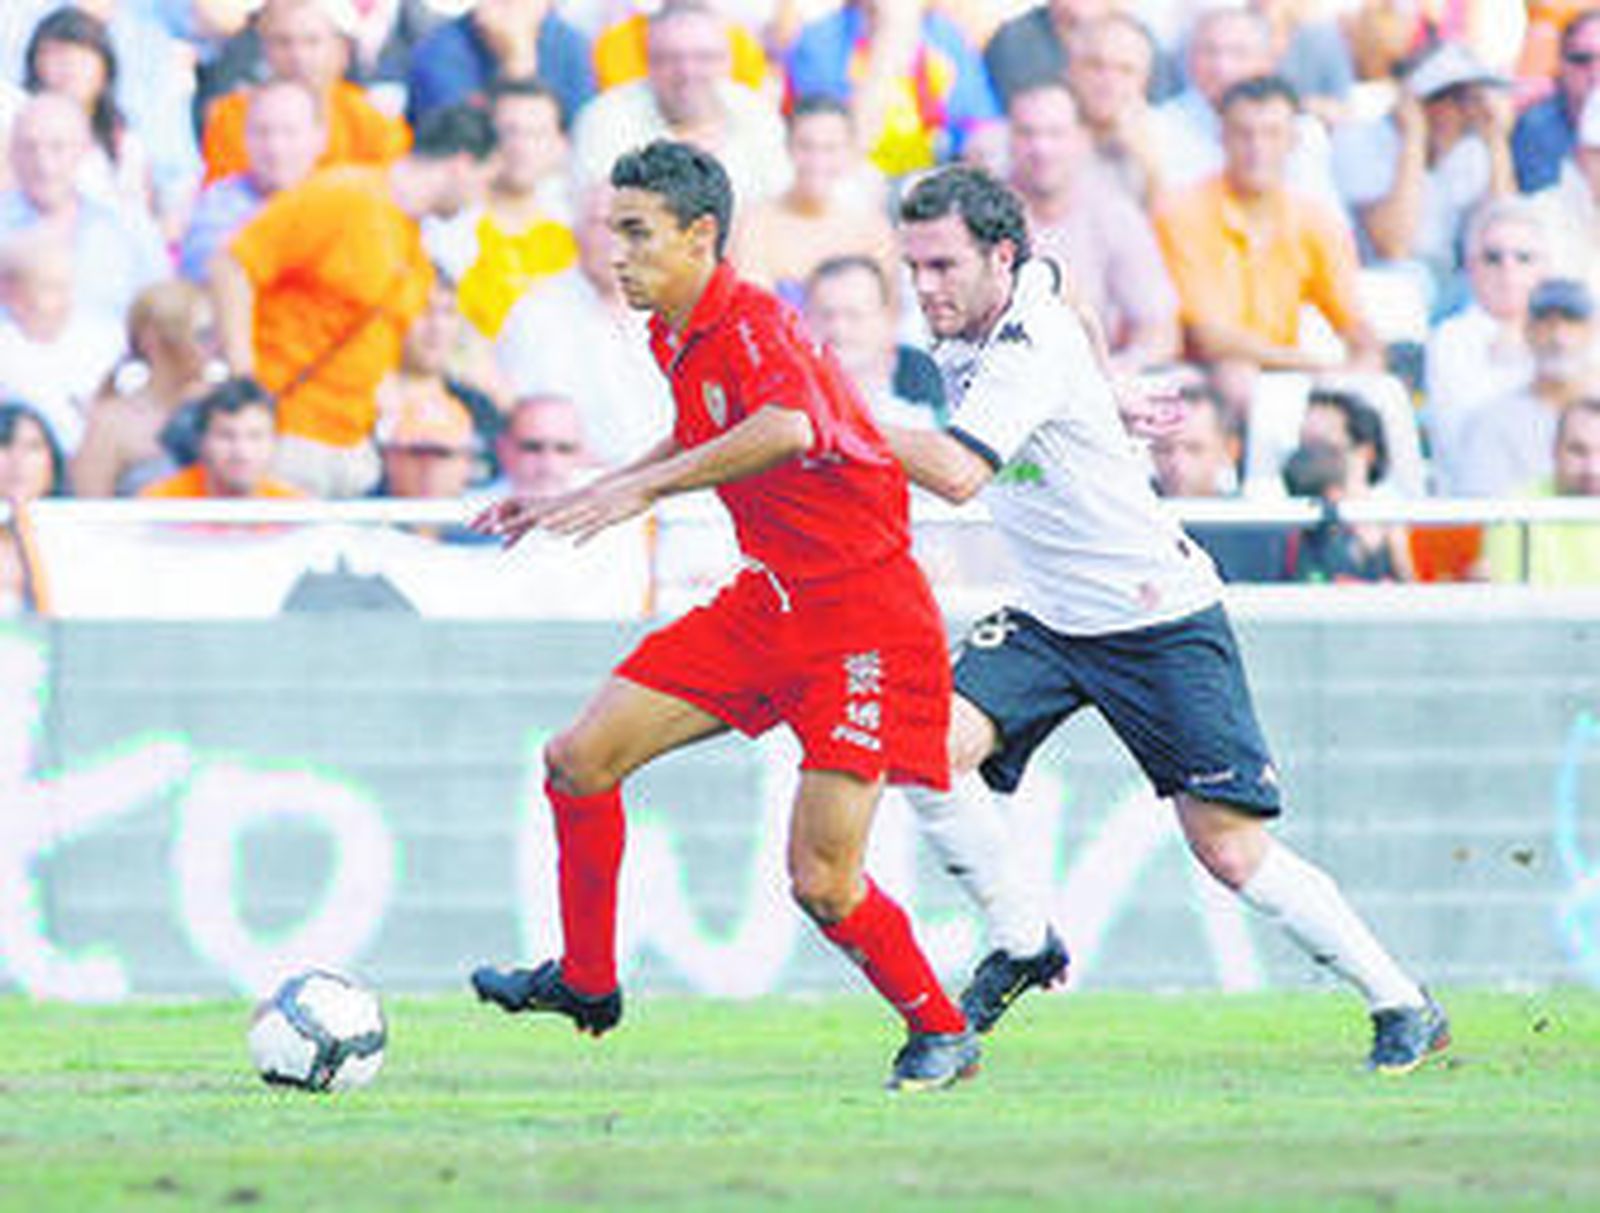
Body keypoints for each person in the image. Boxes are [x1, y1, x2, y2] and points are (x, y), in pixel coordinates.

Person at [883, 164, 1448, 1072]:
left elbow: (956, 472)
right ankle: (1024, 940)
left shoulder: (1028, 340)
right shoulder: (1022, 290)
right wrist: (1099, 395)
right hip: (1048, 613)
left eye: (941, 266)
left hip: (1155, 615)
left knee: (1228, 850)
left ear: (996, 257)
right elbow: (1072, 296)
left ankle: (1400, 999)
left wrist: (829, 423)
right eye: (912, 267)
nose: (924, 288)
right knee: (917, 745)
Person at [468, 140, 977, 1092]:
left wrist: (643, 493)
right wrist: (582, 491)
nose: (615, 253)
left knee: (823, 882)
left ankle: (941, 1028)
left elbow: (785, 426)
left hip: (863, 620)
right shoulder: (675, 329)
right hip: (769, 601)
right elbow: (708, 434)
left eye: (636, 233)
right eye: (611, 230)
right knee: (578, 760)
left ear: (701, 234)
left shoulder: (755, 324)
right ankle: (586, 981)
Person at [210, 104, 498, 499]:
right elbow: (233, 264)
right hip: (288, 432)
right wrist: (244, 380)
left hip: (352, 448)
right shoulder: (345, 194)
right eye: (486, 181)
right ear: (463, 164)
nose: (481, 198)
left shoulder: (414, 241)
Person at [1154, 76, 1380, 384]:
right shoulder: (1183, 212)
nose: (1257, 147)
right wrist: (1316, 368)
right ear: (1222, 137)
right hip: (1199, 375)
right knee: (1238, 376)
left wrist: (1365, 360)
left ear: (1293, 140)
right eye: (1243, 134)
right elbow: (1209, 338)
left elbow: (1354, 323)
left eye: (1272, 134)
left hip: (1285, 371)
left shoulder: (1314, 218)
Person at [1006, 81, 1179, 373]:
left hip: (1092, 382)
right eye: (1027, 133)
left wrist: (1112, 374)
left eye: (1055, 134)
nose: (1041, 148)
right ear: (1009, 139)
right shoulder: (977, 213)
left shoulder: (1114, 213)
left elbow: (1160, 330)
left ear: (1081, 139)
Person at [1331, 40, 1514, 300]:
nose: (1471, 112)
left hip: (1449, 287)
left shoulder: (1471, 149)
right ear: (1418, 103)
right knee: (1409, 275)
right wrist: (1414, 139)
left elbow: (1507, 231)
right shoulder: (1360, 139)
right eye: (1459, 99)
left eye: (1476, 98)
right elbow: (1392, 247)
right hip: (1381, 288)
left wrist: (1497, 143)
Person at [572, 2, 789, 206]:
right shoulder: (606, 119)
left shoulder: (758, 115)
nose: (687, 72)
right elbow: (603, 220)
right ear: (648, 63)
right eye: (670, 58)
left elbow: (780, 207)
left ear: (727, 63)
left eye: (704, 57)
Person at [0, 92, 167, 328]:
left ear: (84, 150)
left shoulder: (130, 228)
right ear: (12, 153)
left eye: (58, 147)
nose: (43, 163)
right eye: (29, 147)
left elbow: (163, 316)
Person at [201, 0, 410, 186]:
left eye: (312, 42)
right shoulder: (231, 116)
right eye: (283, 42)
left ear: (342, 50)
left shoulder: (374, 119)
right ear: (265, 49)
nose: (298, 55)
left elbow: (394, 197)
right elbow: (222, 198)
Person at [783, 0, 1000, 177]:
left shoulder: (942, 34)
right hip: (861, 183)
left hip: (938, 178)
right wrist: (891, 38)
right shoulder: (820, 40)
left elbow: (980, 123)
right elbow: (839, 149)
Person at [730, 96, 895, 309]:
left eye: (830, 148)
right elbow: (754, 312)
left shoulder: (872, 229)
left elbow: (885, 316)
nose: (817, 160)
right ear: (788, 147)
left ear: (849, 152)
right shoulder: (755, 224)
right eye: (806, 146)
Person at [1449, 277, 1600, 498]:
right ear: (1526, 330)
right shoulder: (1492, 422)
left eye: (1571, 322)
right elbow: (1483, 512)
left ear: (1592, 330)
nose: (1558, 337)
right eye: (1545, 323)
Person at [72, 279, 221, 498]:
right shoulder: (111, 423)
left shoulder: (225, 407)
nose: (214, 347)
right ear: (151, 340)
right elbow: (87, 511)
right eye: (202, 335)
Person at [454, 79, 578, 339]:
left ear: (561, 145)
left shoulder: (580, 226)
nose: (521, 147)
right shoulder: (451, 223)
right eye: (509, 132)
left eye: (537, 134)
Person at [179, 78, 327, 283]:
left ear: (320, 138)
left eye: (290, 133)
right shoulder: (218, 204)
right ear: (245, 138)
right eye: (261, 132)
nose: (275, 148)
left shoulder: (345, 201)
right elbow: (207, 269)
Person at [802, 254, 945, 430]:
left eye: (854, 315)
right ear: (805, 320)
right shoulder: (785, 394)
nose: (838, 329)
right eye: (825, 315)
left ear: (888, 318)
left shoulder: (933, 377)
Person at [405, 0, 594, 129]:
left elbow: (578, 131)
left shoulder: (569, 43)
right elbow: (467, 146)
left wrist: (519, 51)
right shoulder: (439, 50)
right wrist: (517, 60)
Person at [1480, 396, 1600, 586]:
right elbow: (1510, 604)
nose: (1593, 468)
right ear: (1554, 450)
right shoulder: (1515, 509)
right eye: (1578, 451)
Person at [139, 377, 304, 499]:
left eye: (255, 437)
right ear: (201, 442)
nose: (241, 452)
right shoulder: (161, 503)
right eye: (226, 436)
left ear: (274, 443)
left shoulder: (293, 508)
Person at [1513, 9, 1600, 193]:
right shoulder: (1537, 126)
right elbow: (1547, 204)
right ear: (1560, 66)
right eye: (1581, 59)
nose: (1595, 72)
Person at [491, 393, 595, 497]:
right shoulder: (478, 510)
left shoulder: (605, 505)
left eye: (564, 449)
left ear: (583, 454)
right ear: (503, 449)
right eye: (533, 447)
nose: (548, 462)